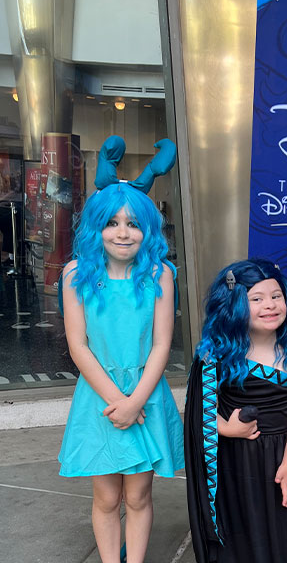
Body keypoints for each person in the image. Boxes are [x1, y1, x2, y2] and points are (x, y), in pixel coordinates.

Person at [57, 135, 183, 563]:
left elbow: (163, 344)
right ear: (96, 227)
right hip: (100, 397)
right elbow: (78, 345)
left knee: (140, 494)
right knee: (107, 495)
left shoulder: (160, 274)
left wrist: (137, 401)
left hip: (146, 393)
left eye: (133, 223)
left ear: (148, 228)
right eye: (112, 223)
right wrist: (118, 401)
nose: (123, 232)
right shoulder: (76, 273)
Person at [185, 259, 287, 562]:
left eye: (276, 296)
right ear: (234, 305)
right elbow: (200, 411)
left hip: (280, 459)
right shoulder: (214, 355)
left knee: (284, 528)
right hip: (233, 462)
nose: (269, 305)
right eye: (256, 299)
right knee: (242, 528)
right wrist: (227, 428)